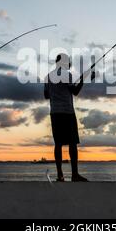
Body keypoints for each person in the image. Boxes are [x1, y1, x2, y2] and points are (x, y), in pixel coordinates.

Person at [44, 53, 94, 182]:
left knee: (58, 144)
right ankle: (74, 175)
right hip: (67, 112)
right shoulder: (67, 75)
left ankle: (60, 175)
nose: (70, 64)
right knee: (72, 144)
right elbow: (75, 92)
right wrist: (83, 79)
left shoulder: (48, 77)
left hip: (54, 113)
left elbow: (46, 95)